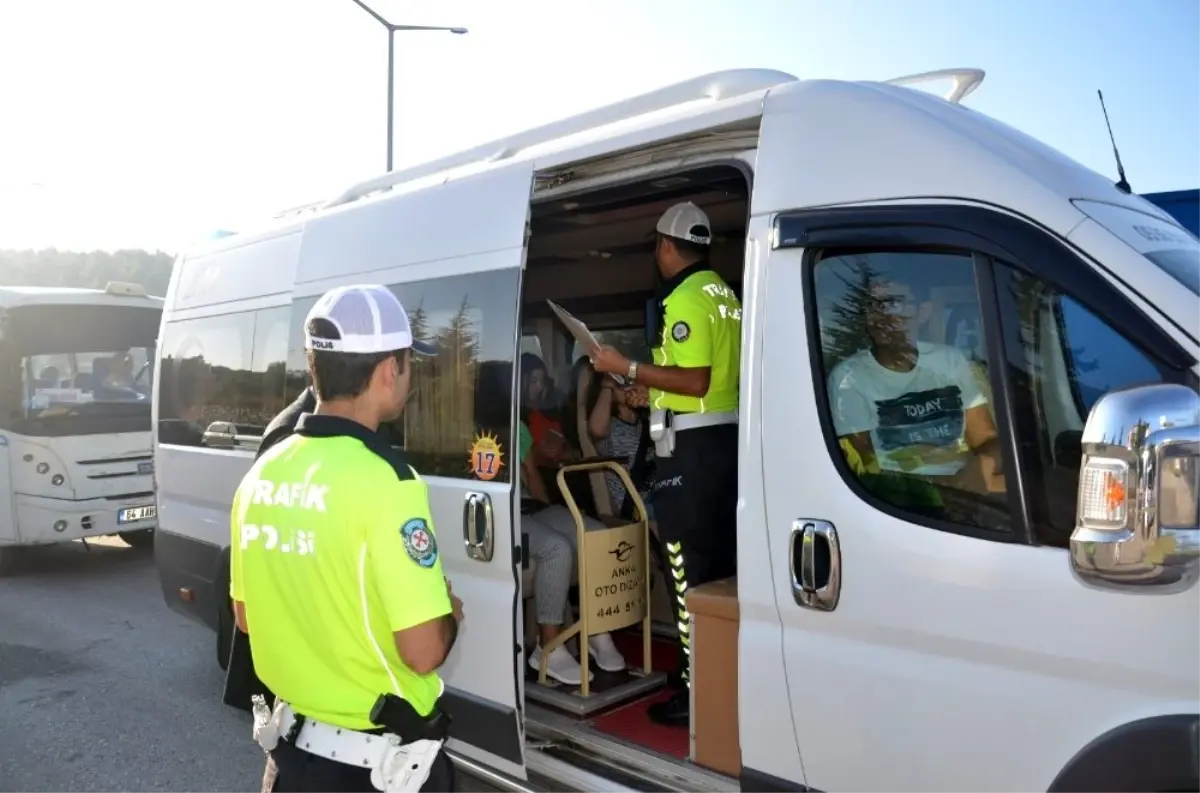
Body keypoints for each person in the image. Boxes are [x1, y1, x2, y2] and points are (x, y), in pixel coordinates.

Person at [230, 284, 461, 793]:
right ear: (387, 371)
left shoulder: (262, 473)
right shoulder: (389, 482)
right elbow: (422, 651)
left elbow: (248, 618)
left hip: (289, 762)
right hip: (376, 771)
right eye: (408, 362)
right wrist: (447, 614)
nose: (408, 375)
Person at [589, 201, 741, 727]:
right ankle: (712, 673)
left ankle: (695, 693)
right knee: (719, 571)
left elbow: (694, 381)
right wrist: (644, 394)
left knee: (684, 572)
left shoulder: (686, 299)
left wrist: (622, 365)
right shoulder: (726, 296)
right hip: (723, 448)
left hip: (692, 456)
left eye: (658, 245)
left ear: (667, 247)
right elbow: (705, 385)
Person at [827, 274, 1003, 505]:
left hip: (966, 487)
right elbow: (871, 469)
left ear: (924, 311)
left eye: (894, 303)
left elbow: (988, 440)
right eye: (872, 306)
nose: (881, 316)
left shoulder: (949, 362)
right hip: (904, 501)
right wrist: (954, 489)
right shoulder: (849, 379)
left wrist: (974, 475)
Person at [518, 364, 626, 685]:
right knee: (557, 547)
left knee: (596, 535)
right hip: (506, 507)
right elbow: (532, 466)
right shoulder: (490, 429)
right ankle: (548, 646)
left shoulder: (523, 426)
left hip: (531, 504)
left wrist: (547, 511)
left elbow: (534, 473)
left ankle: (596, 630)